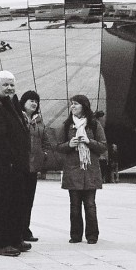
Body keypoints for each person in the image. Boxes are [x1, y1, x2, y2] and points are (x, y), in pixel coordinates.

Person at [0, 70, 31, 257]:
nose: (9, 88)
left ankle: (15, 239)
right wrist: (10, 160)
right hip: (4, 166)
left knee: (16, 203)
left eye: (12, 84)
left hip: (16, 165)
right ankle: (0, 244)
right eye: (5, 85)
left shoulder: (10, 104)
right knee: (2, 205)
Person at [56, 94, 107, 244]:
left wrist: (89, 141)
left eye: (76, 104)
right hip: (73, 171)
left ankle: (92, 235)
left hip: (90, 171)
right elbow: (58, 146)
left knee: (90, 205)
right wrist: (69, 145)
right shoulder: (66, 125)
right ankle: (76, 235)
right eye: (72, 104)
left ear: (84, 106)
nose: (73, 106)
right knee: (75, 206)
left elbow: (103, 146)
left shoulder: (94, 124)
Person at [18, 90, 51, 243]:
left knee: (29, 200)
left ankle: (25, 230)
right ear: (23, 102)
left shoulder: (39, 121)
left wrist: (44, 154)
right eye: (31, 100)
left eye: (36, 101)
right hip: (20, 165)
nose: (34, 103)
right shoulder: (18, 118)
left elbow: (45, 140)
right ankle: (17, 230)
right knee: (19, 199)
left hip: (34, 166)